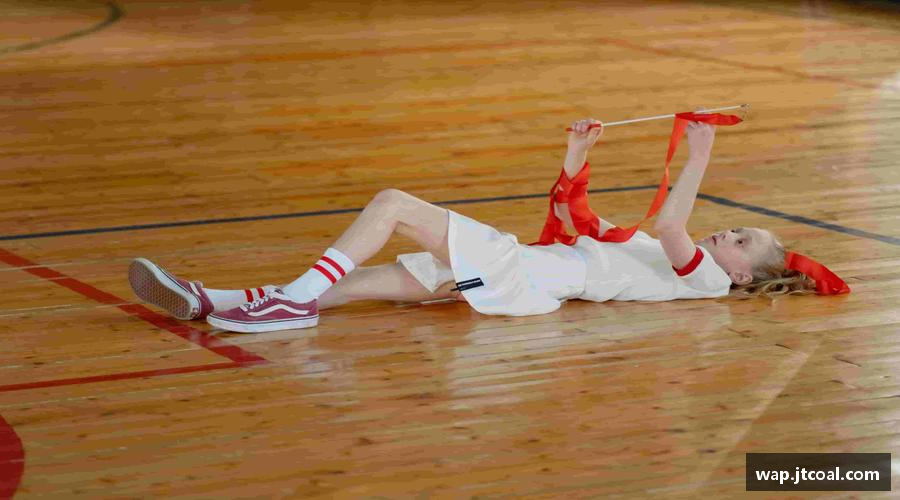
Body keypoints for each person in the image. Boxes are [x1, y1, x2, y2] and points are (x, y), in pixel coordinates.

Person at [128, 116, 818, 333]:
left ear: (741, 277)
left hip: (518, 273)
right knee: (349, 289)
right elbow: (575, 219)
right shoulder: (652, 254)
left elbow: (672, 225)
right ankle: (212, 301)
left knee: (393, 203)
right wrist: (576, 156)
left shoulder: (704, 284)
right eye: (735, 229)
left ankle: (287, 303)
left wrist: (699, 157)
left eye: (741, 242)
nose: (726, 236)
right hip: (522, 277)